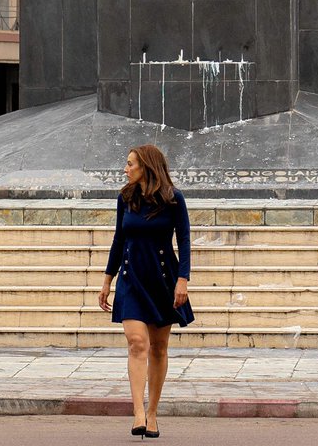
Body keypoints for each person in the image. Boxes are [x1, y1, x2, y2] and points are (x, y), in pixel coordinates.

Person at [99, 144, 193, 438]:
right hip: (131, 277)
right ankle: (137, 411)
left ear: (146, 167)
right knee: (137, 342)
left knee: (159, 347)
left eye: (130, 164)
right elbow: (119, 238)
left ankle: (152, 412)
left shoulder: (172, 198)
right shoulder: (125, 197)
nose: (125, 169)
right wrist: (107, 279)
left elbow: (185, 240)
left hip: (163, 278)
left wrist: (183, 279)